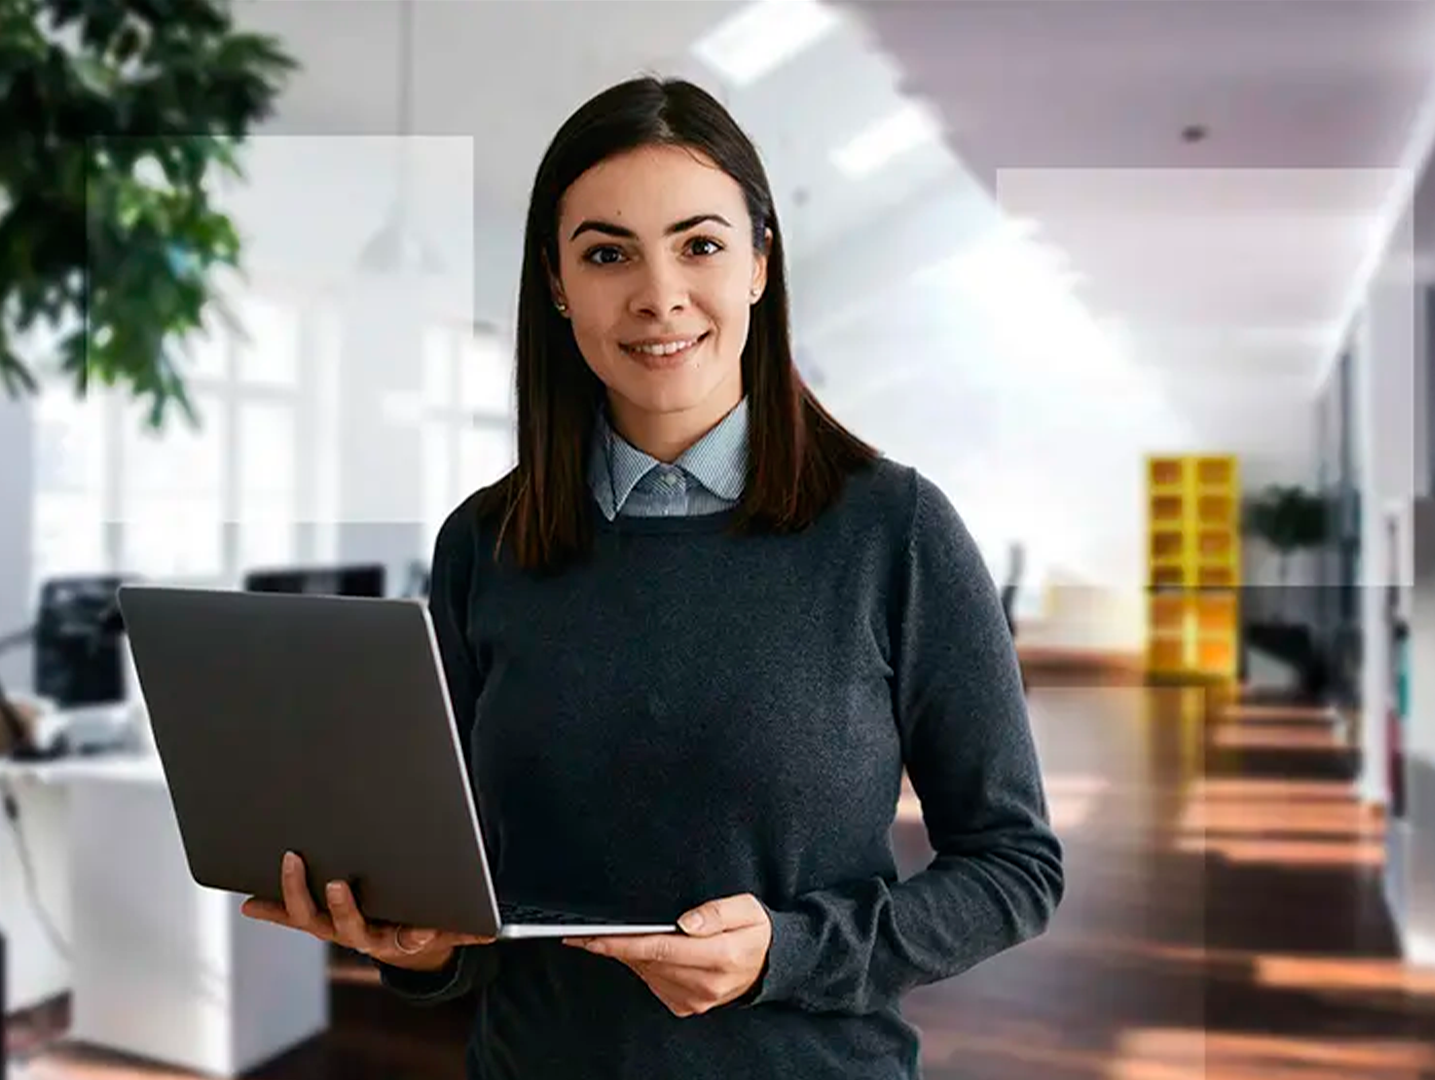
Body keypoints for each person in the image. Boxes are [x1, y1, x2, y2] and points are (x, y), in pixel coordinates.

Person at [242, 75, 1064, 1079]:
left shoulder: (895, 532)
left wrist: (790, 951)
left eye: (701, 244)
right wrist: (416, 947)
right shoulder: (484, 543)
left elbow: (1015, 867)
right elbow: (460, 878)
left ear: (762, 263)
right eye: (606, 254)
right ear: (556, 283)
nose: (659, 293)